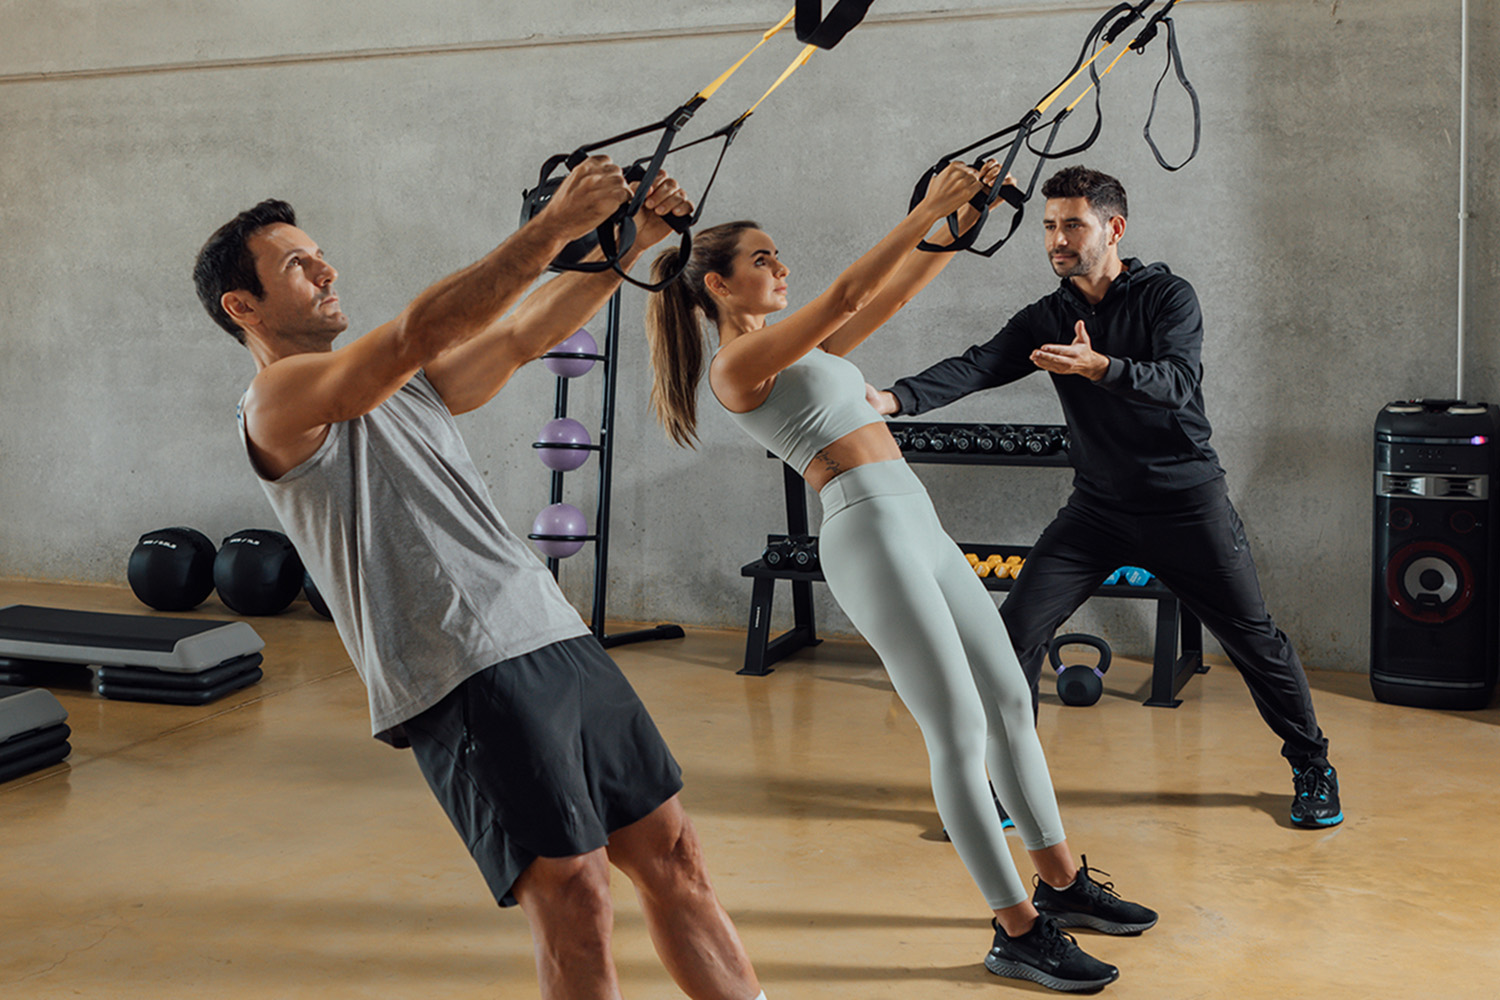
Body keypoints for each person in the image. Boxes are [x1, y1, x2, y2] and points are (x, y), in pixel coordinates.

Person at [193, 161, 767, 1000]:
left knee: (674, 855)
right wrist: (555, 227)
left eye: (320, 255)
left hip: (551, 633)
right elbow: (412, 335)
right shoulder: (275, 400)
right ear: (242, 307)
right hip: (461, 668)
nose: (327, 271)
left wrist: (632, 244)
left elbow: (522, 337)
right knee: (576, 895)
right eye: (296, 266)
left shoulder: (402, 391)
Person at [642, 160, 1156, 993]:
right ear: (717, 285)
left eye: (778, 256)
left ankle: (1061, 882)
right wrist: (930, 205)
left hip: (915, 518)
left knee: (1008, 699)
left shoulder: (800, 347)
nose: (780, 267)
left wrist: (958, 223)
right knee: (957, 728)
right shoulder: (738, 367)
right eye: (763, 259)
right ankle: (1016, 930)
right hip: (866, 530)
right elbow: (846, 295)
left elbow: (891, 296)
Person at [869, 164, 1343, 831]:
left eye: (1072, 225)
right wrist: (893, 399)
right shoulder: (1049, 315)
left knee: (1255, 642)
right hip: (1097, 511)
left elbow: (1177, 382)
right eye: (1049, 226)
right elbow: (980, 364)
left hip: (1186, 505)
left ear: (1113, 228)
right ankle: (1009, 781)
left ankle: (1312, 764)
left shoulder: (1167, 298)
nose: (1057, 238)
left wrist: (1102, 368)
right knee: (1013, 639)